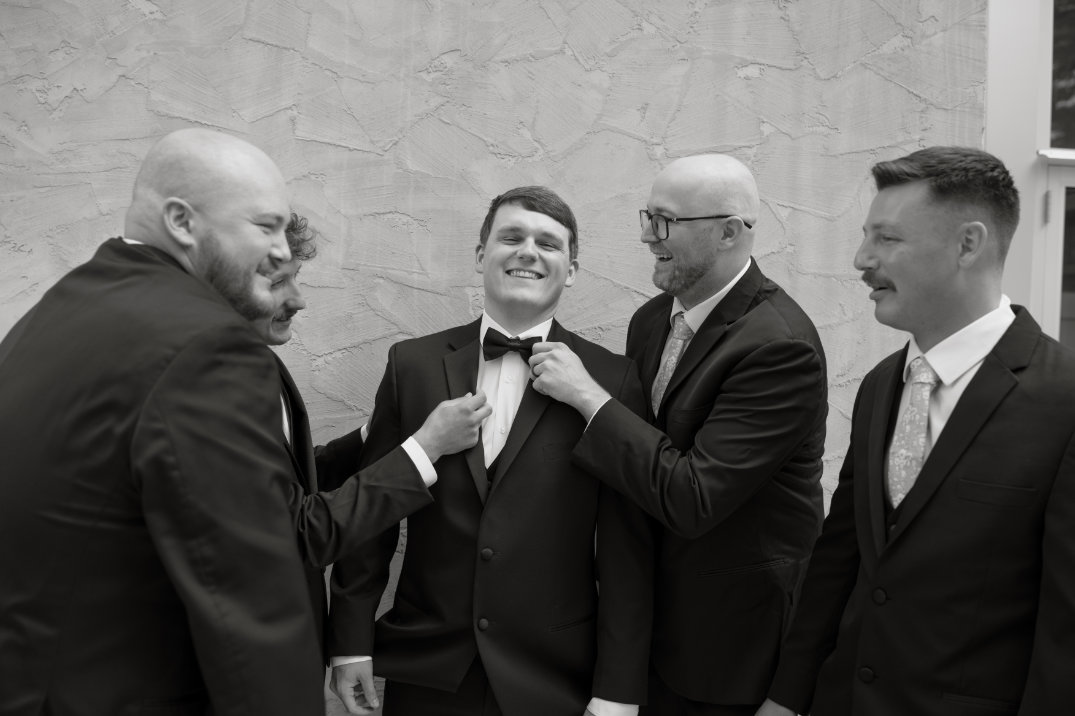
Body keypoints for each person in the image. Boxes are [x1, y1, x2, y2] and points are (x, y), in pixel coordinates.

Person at [0, 129, 485, 716]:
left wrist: (371, 438)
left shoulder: (56, 313)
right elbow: (252, 600)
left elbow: (213, 485)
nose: (282, 254)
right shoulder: (205, 348)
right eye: (265, 227)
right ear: (181, 221)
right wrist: (422, 450)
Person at [755, 147, 1075, 716]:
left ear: (968, 245)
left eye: (887, 239)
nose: (861, 259)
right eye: (866, 236)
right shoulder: (883, 384)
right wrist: (786, 697)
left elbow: (1065, 630)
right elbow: (840, 562)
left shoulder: (1064, 400)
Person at [327, 186, 654, 716]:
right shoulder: (412, 364)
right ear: (482, 255)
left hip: (553, 677)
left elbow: (626, 549)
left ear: (571, 270)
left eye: (548, 243)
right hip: (428, 670)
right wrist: (350, 642)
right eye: (511, 237)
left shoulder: (612, 379)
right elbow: (374, 516)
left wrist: (617, 692)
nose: (528, 251)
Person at [530, 154, 828, 715]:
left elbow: (693, 497)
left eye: (665, 221)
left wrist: (588, 397)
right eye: (647, 217)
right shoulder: (651, 320)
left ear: (729, 232)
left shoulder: (780, 348)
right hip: (650, 639)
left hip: (732, 654)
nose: (647, 236)